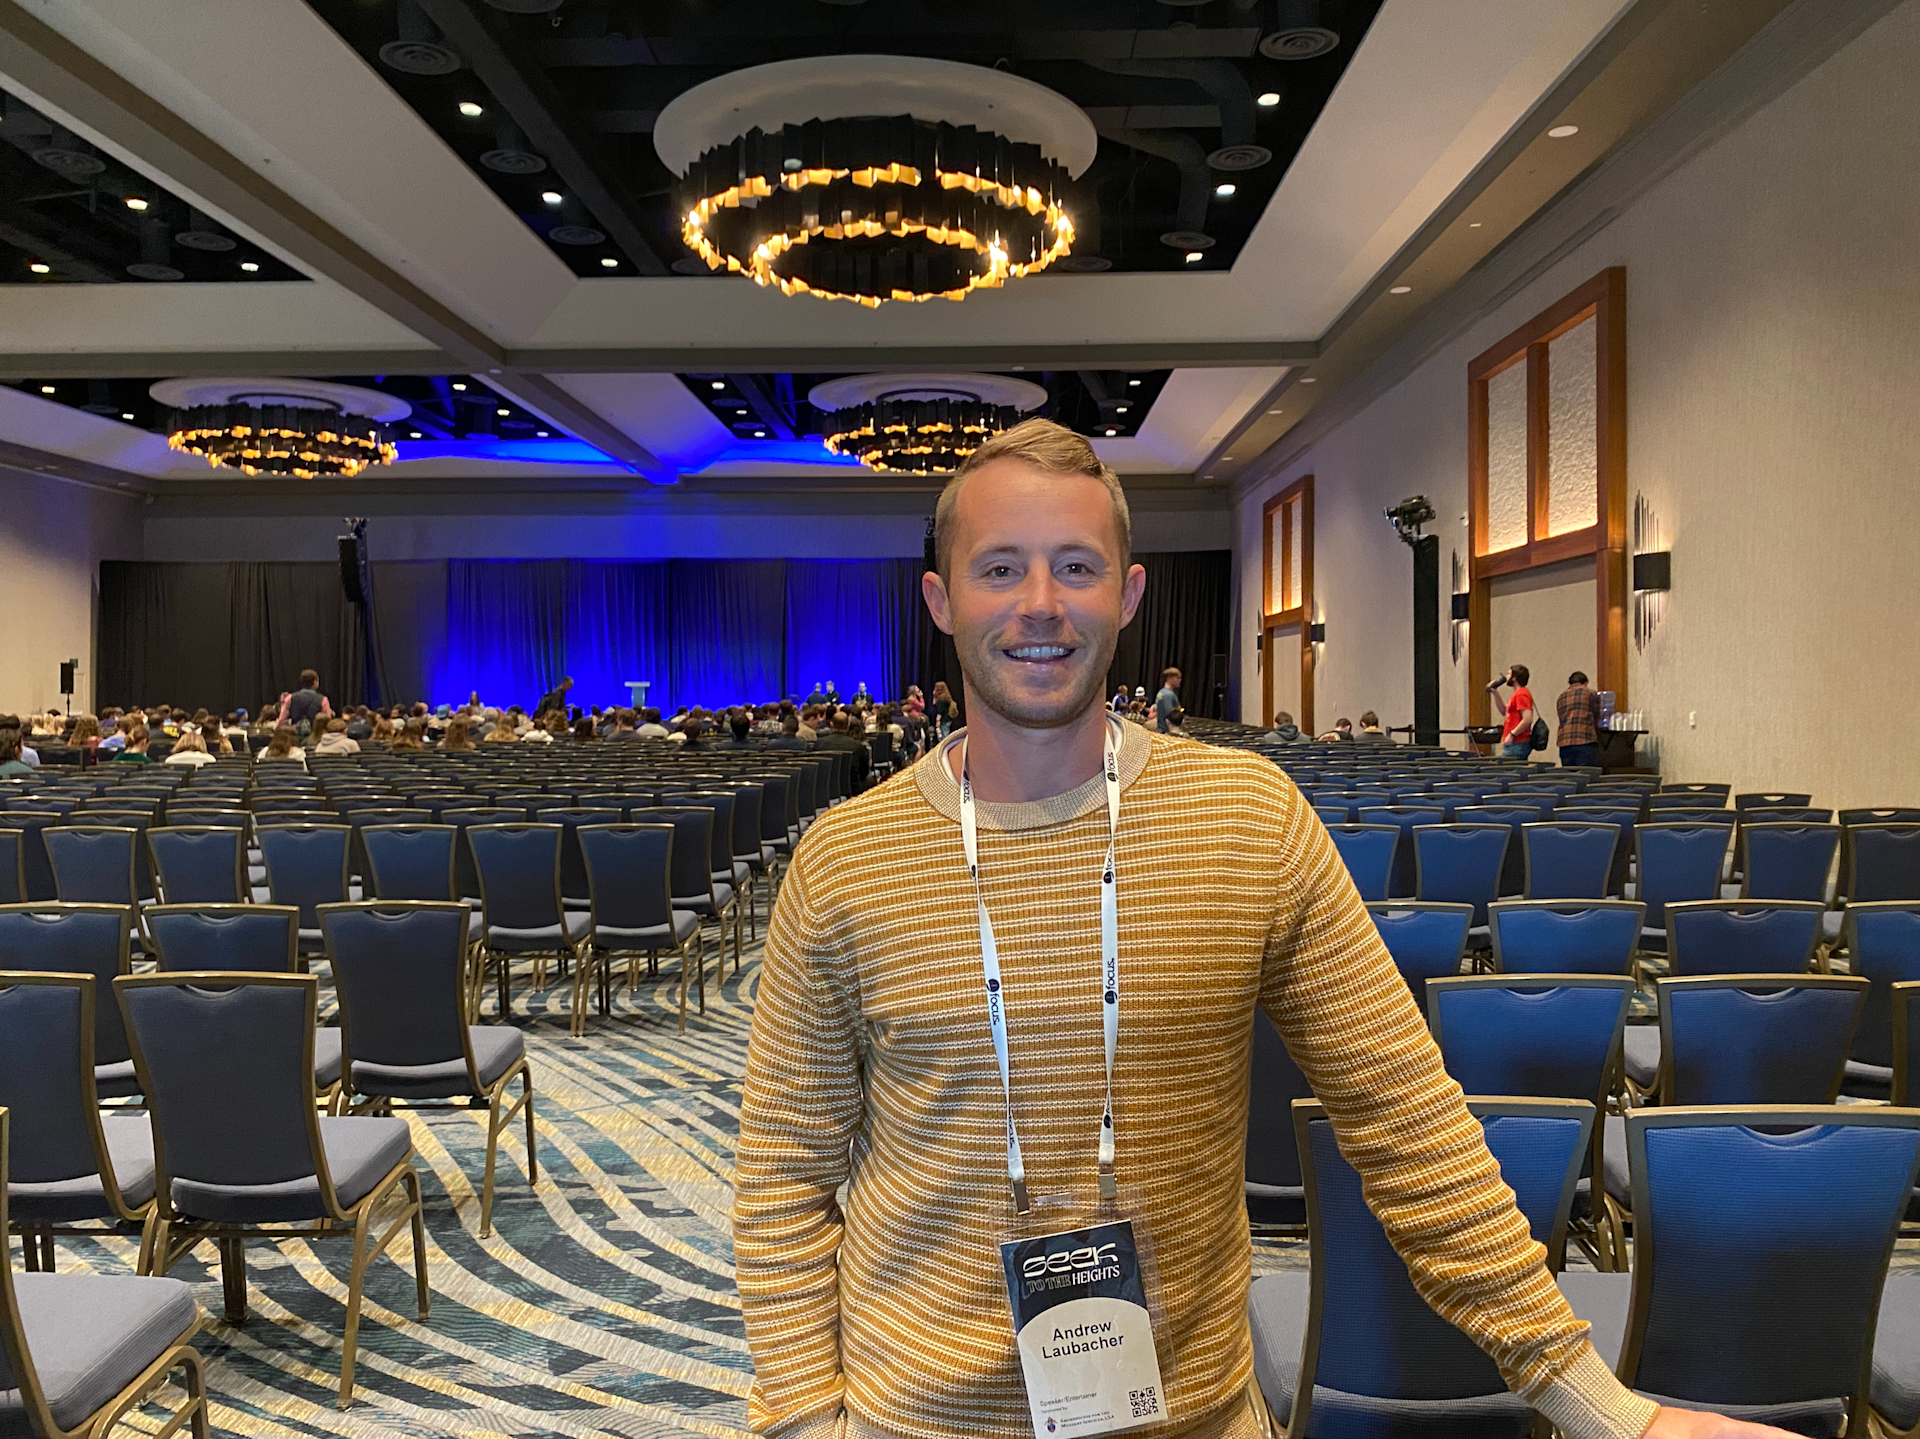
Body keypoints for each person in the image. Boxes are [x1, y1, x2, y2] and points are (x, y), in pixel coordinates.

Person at [735, 416, 1757, 1439]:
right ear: (941, 598)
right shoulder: (843, 860)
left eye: (1076, 567)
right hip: (910, 1420)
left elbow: (1408, 1121)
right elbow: (782, 1176)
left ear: (1129, 595)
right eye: (1000, 567)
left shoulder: (1249, 819)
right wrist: (799, 1423)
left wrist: (1610, 1411)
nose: (1039, 604)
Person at [813, 710, 872, 792]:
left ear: (831, 724)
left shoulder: (819, 744)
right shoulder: (857, 746)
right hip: (851, 789)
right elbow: (864, 771)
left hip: (824, 789)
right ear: (848, 725)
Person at [1488, 663, 1536, 760]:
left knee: (1506, 771)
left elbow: (1527, 719)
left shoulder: (1521, 694)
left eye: (1508, 674)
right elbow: (1503, 711)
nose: (1506, 677)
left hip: (1517, 742)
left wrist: (1512, 734)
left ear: (1514, 678)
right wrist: (1495, 692)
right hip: (1514, 742)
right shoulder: (1517, 694)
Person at [1556, 671, 1602, 770]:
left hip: (1564, 742)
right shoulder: (1590, 693)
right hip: (1585, 739)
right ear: (1585, 682)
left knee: (1570, 777)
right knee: (1586, 776)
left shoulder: (1561, 697)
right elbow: (1597, 714)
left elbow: (1561, 717)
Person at [283, 669, 325, 735]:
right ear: (315, 682)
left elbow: (282, 720)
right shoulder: (323, 699)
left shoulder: (290, 698)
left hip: (294, 736)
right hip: (315, 736)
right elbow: (327, 720)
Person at [1153, 665, 1181, 733]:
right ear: (1171, 678)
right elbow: (1171, 715)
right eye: (1178, 678)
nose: (1180, 680)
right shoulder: (1168, 695)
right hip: (1167, 732)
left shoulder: (1161, 692)